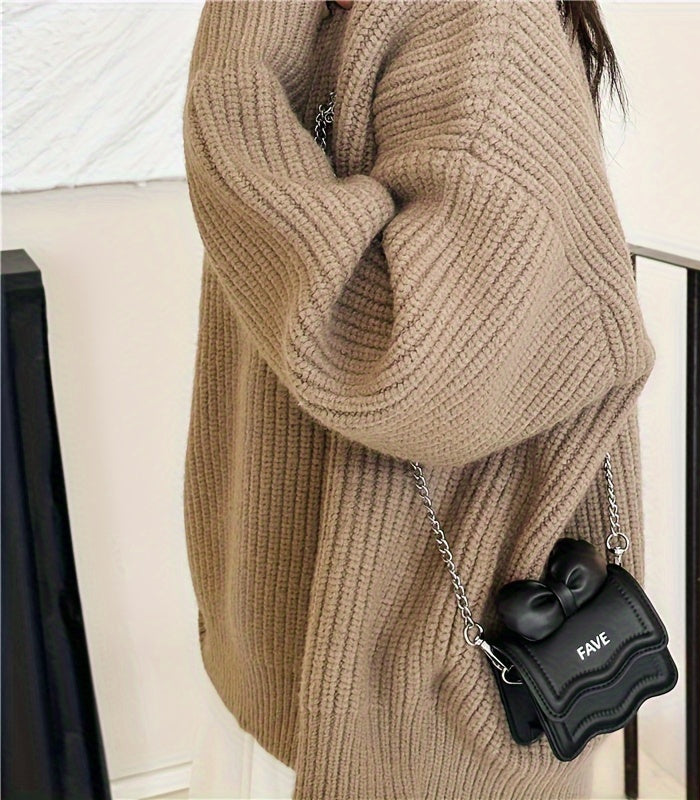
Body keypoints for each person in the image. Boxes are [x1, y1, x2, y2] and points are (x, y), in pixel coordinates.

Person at [182, 1, 656, 798]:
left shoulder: (479, 23)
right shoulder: (321, 20)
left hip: (410, 698)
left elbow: (422, 371)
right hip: (289, 645)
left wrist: (237, 68)